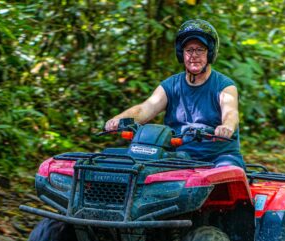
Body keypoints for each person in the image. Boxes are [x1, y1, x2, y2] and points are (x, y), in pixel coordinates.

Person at [105, 19, 244, 168]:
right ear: (181, 54)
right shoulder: (171, 85)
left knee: (228, 171)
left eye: (200, 49)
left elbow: (231, 114)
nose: (194, 55)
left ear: (209, 53)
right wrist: (118, 120)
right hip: (178, 156)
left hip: (219, 157)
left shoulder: (224, 86)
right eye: (189, 50)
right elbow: (145, 109)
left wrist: (227, 127)